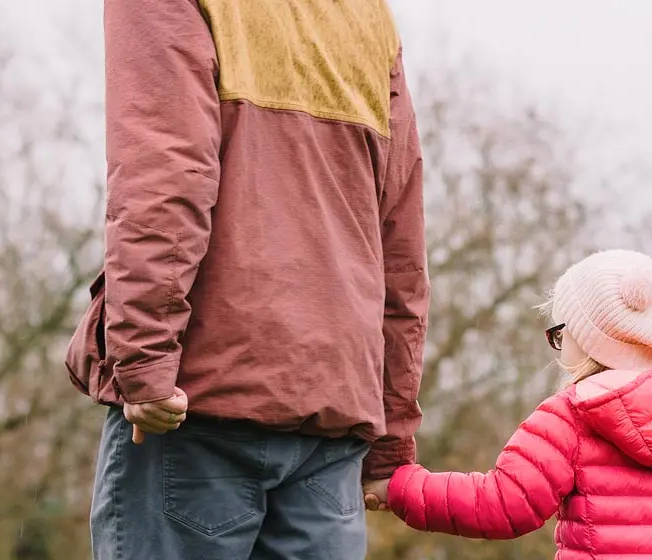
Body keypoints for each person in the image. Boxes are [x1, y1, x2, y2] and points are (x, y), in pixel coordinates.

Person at [63, 0, 428, 558]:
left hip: (198, 402)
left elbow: (165, 173)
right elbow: (400, 237)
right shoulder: (364, 14)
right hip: (333, 407)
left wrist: (143, 359)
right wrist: (391, 435)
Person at [369, 250, 652, 560]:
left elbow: (500, 505)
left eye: (561, 331)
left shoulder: (569, 418)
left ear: (586, 338)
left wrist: (400, 487)